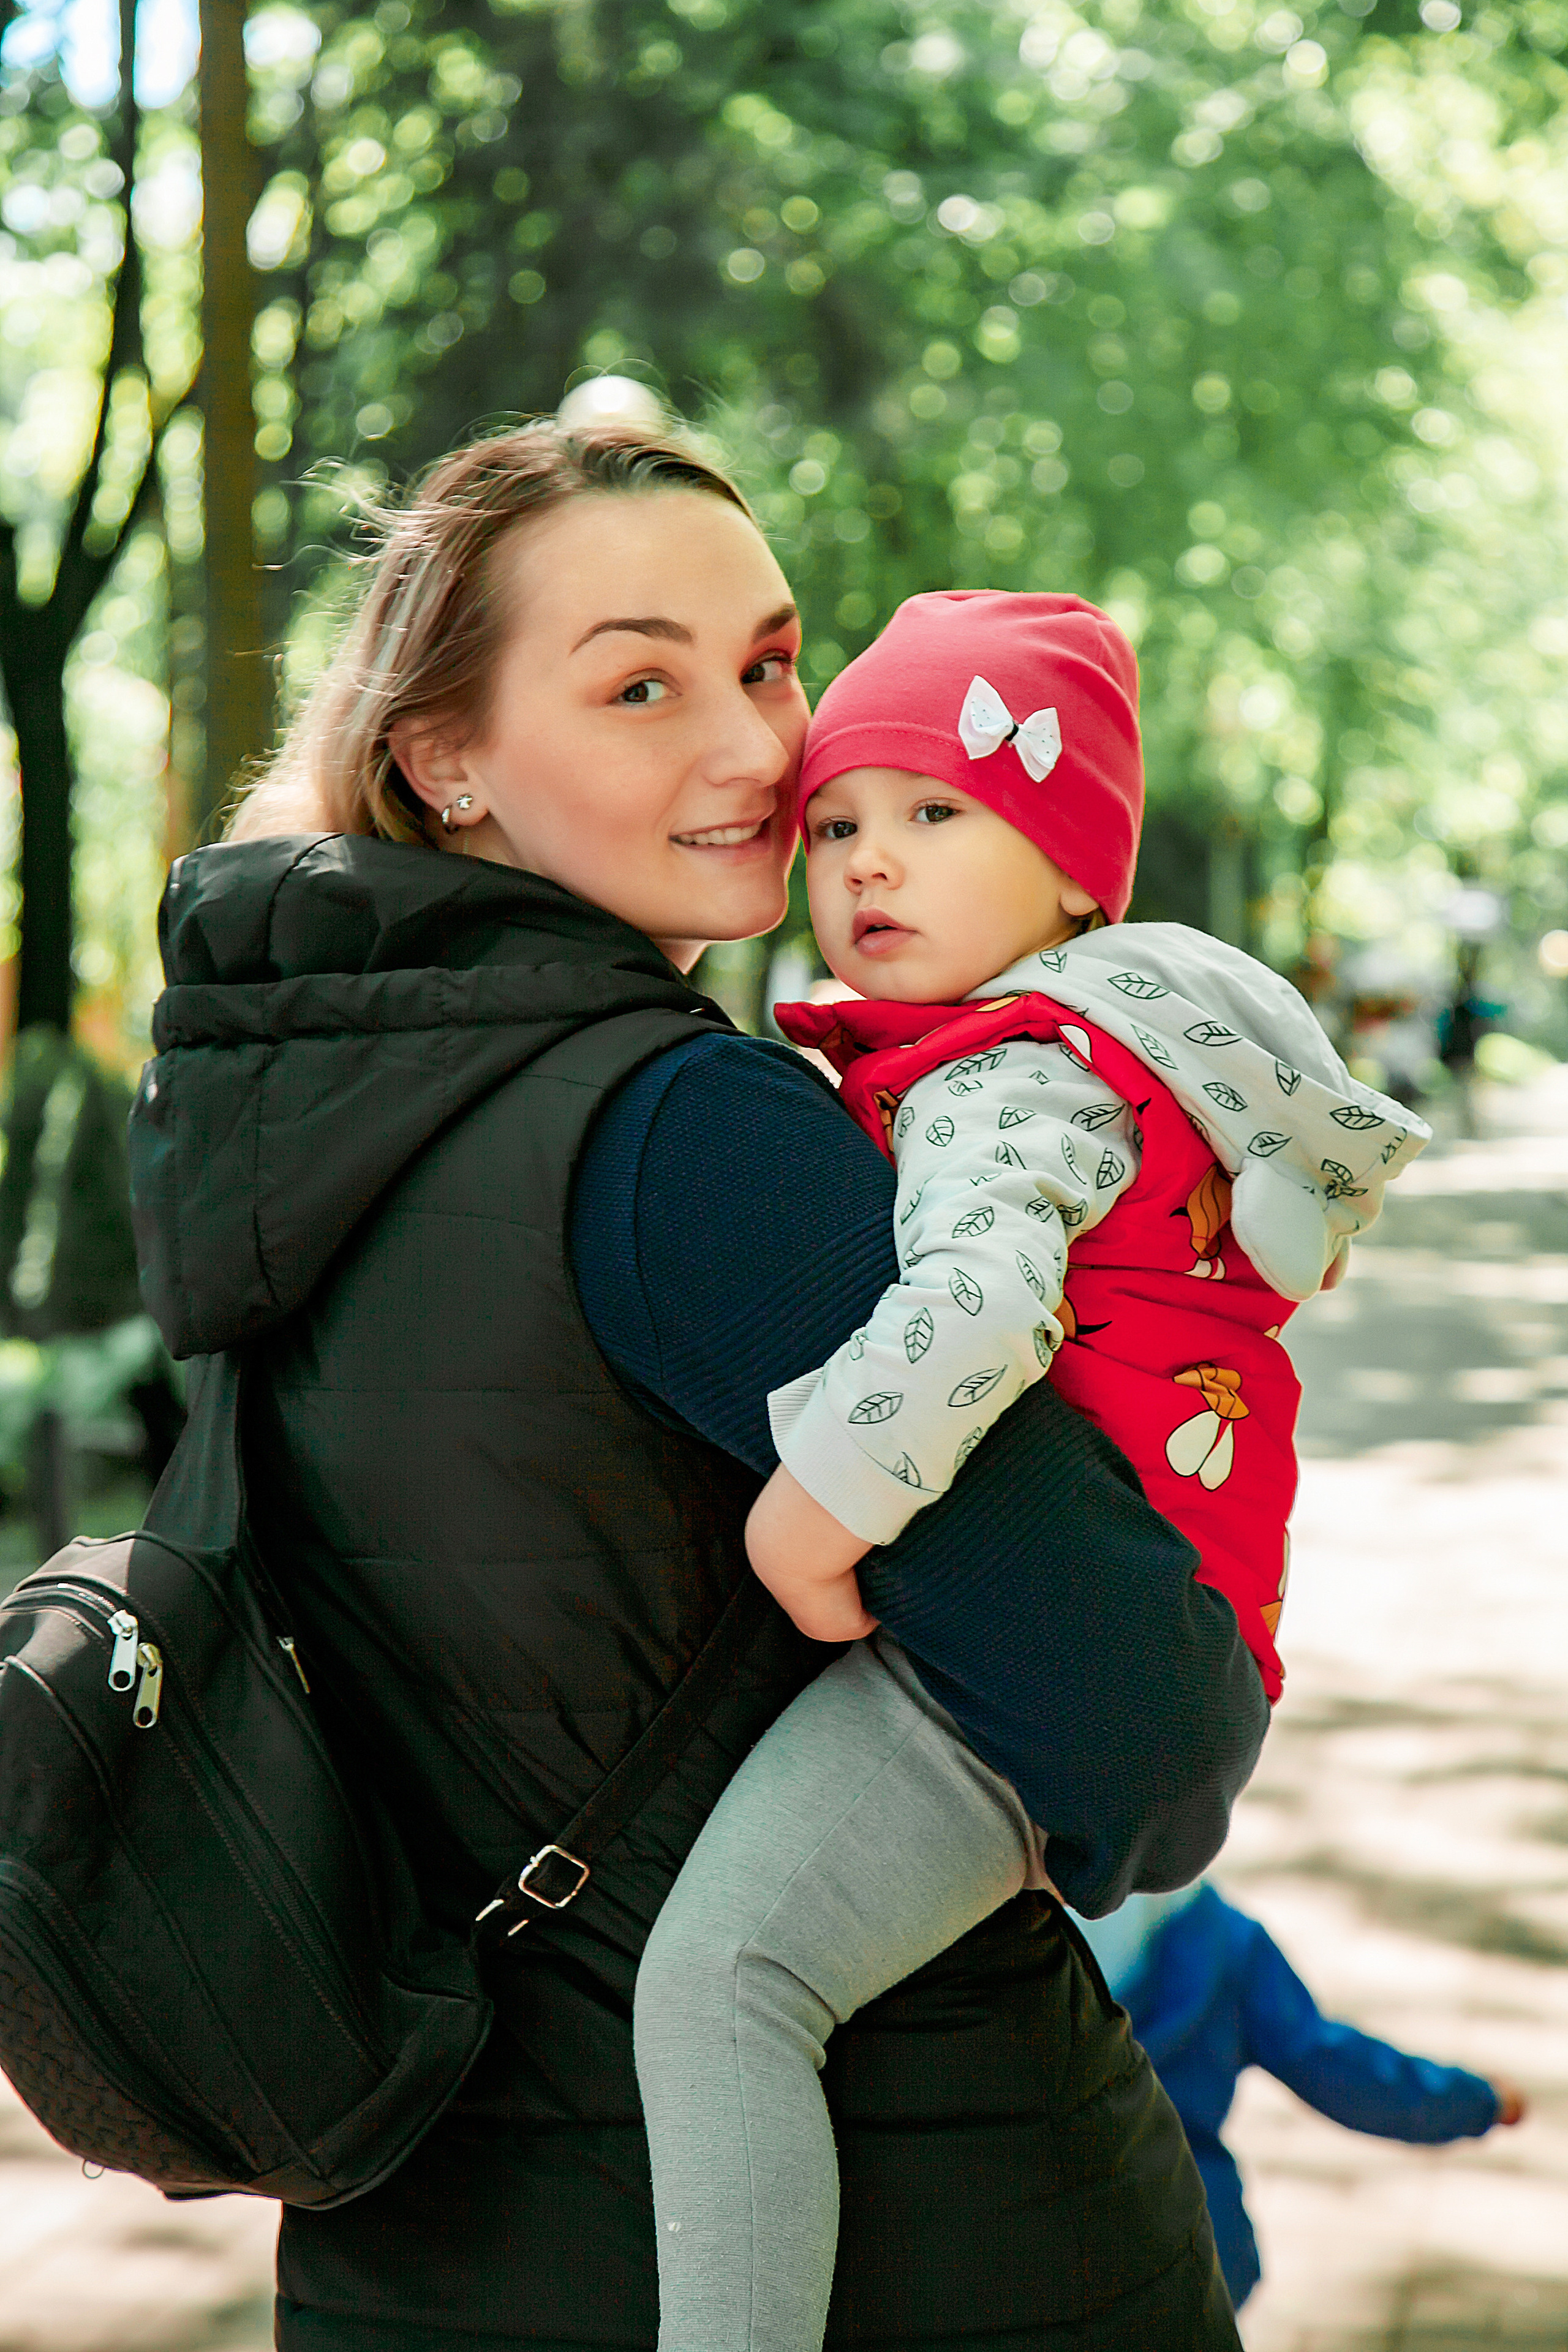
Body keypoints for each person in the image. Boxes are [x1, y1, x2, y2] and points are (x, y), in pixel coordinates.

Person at [129, 422, 1265, 2351]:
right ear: (445, 755)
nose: (755, 750)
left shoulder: (286, 1126)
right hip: (919, 2234)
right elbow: (1143, 1724)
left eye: (765, 663)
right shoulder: (685, 1136)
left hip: (425, 2239)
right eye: (640, 682)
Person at [631, 592, 1430, 2351]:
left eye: (937, 813)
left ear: (1073, 873)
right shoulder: (1110, 1055)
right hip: (1161, 1612)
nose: (868, 864)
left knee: (722, 1986)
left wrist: (807, 1527)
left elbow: (978, 1309)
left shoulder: (1009, 1079)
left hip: (1021, 1659)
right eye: (836, 822)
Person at [1076, 1885, 1528, 2309]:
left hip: (1047, 2263)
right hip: (1187, 2245)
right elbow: (1332, 2066)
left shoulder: (1023, 1962)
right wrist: (1475, 2100)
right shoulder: (1219, 1939)